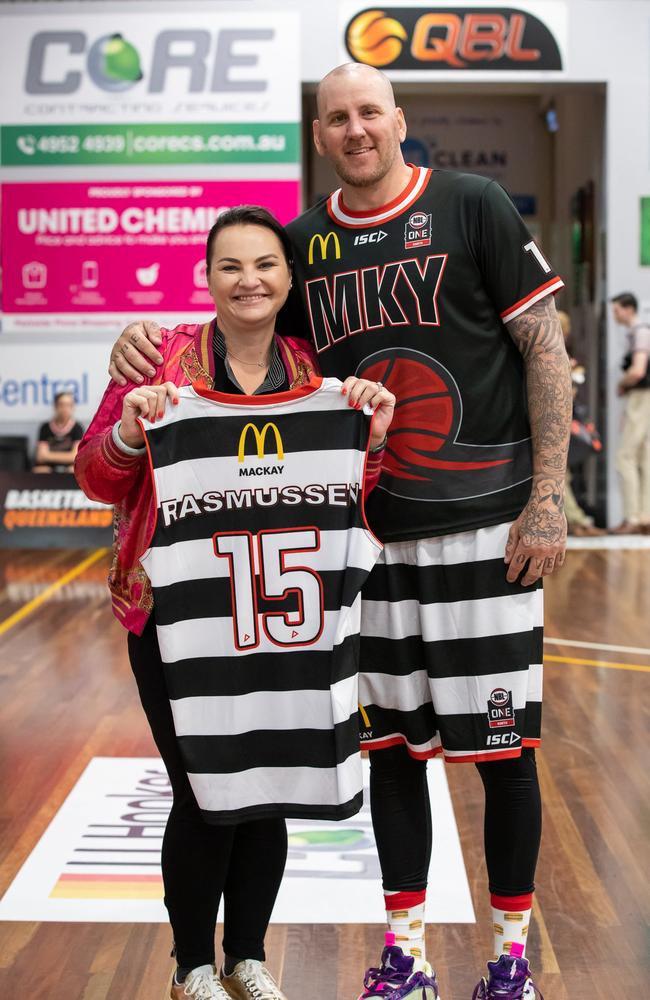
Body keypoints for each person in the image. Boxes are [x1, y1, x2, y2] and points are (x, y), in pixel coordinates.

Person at [106, 64, 573, 1000]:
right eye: (337, 119)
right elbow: (254, 338)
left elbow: (544, 347)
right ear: (318, 136)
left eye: (370, 112)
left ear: (398, 120)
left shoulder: (473, 204)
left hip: (486, 526)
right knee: (393, 756)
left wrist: (550, 495)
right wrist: (138, 344)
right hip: (362, 547)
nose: (356, 130)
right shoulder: (306, 246)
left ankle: (512, 965)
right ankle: (404, 959)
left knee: (503, 754)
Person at [76, 205, 395, 1000]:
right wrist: (126, 433)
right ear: (208, 277)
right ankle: (191, 965)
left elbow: (347, 494)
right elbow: (95, 475)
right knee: (202, 786)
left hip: (279, 614)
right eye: (230, 266)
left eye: (264, 265)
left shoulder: (316, 372)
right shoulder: (160, 362)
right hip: (174, 612)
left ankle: (246, 957)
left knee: (267, 785)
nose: (248, 280)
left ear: (288, 279)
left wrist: (373, 437)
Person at [557, 310, 605, 537]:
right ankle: (576, 520)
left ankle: (576, 520)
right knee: (561, 474)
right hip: (559, 419)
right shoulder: (561, 357)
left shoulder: (563, 357)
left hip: (560, 418)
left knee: (562, 473)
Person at [610, 292, 650, 534]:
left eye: (616, 309)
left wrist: (621, 384)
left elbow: (637, 370)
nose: (615, 315)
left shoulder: (640, 331)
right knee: (644, 456)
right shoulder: (640, 331)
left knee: (625, 456)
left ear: (628, 309)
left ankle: (632, 517)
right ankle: (644, 516)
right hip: (644, 398)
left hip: (640, 397)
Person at [33, 390, 84, 473]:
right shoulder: (45, 427)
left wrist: (48, 456)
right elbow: (40, 456)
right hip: (48, 467)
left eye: (68, 405)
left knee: (73, 470)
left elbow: (75, 457)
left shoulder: (77, 428)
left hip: (69, 468)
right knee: (40, 470)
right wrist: (67, 457)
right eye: (61, 405)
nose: (65, 409)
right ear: (55, 406)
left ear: (73, 407)